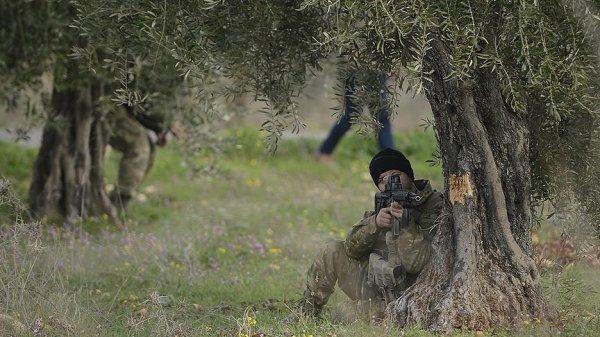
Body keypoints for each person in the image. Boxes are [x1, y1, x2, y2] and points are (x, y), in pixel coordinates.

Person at [291, 148, 444, 322]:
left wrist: (406, 226)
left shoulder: (435, 207)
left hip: (408, 295)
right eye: (382, 180)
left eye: (396, 175)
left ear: (409, 175)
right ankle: (305, 314)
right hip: (375, 284)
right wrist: (375, 224)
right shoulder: (382, 205)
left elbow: (418, 264)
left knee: (342, 313)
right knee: (331, 249)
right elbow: (351, 249)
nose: (390, 183)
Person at [316, 72, 395, 162]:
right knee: (354, 115)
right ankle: (324, 152)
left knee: (380, 117)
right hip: (360, 71)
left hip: (370, 71)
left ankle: (390, 159)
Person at [106, 104, 169, 210]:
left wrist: (162, 127)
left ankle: (123, 200)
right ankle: (119, 200)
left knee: (149, 147)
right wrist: (165, 124)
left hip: (126, 107)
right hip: (110, 103)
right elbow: (137, 101)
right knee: (139, 144)